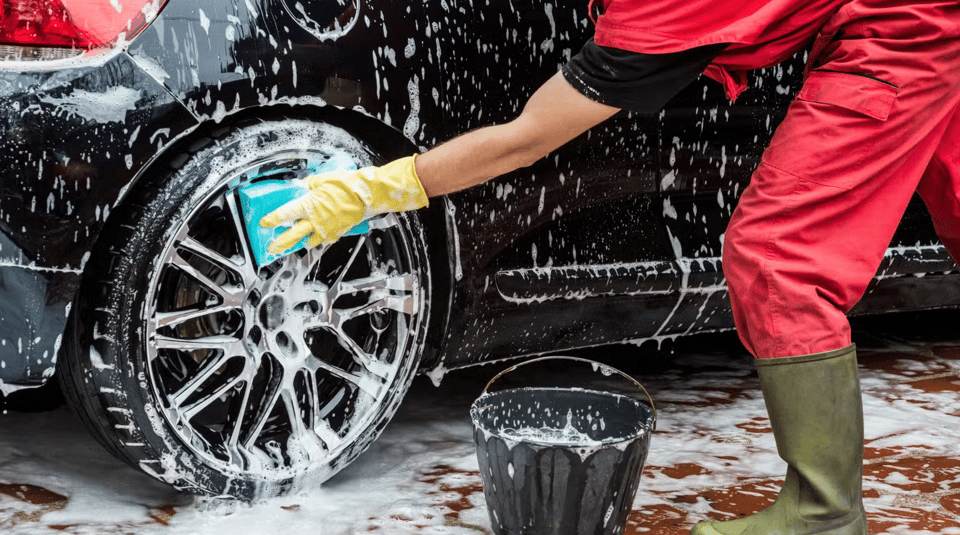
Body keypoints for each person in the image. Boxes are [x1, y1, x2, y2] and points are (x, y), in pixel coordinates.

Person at [260, 1, 960, 533]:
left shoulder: (664, 10)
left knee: (778, 256)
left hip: (908, 32)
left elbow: (525, 140)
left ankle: (823, 512)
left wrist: (377, 188)